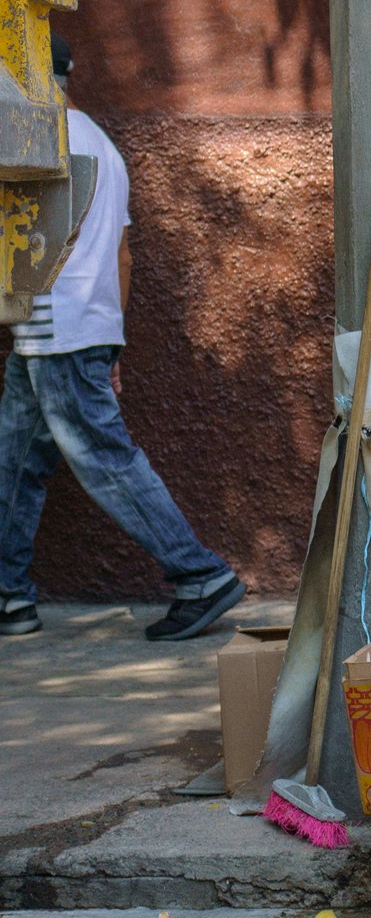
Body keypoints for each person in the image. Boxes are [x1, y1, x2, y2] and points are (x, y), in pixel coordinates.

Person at [0, 42, 243, 640]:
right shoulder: (103, 146)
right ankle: (10, 598)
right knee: (14, 460)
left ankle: (200, 575)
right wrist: (114, 341)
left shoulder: (39, 137)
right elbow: (122, 255)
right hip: (79, 326)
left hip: (57, 325)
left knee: (103, 460)